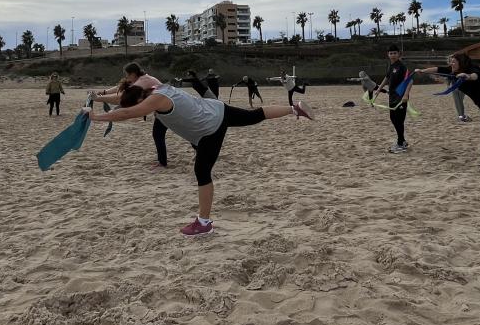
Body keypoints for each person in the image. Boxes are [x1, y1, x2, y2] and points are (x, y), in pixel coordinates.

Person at [87, 83, 314, 236]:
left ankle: (204, 223)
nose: (141, 110)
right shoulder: (157, 87)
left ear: (140, 99)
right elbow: (125, 102)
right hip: (217, 109)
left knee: (202, 172)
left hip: (210, 128)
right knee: (254, 115)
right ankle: (293, 109)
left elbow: (128, 112)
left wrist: (96, 117)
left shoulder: (155, 100)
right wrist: (98, 99)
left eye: (138, 105)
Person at [92, 62, 173, 169]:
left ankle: (162, 163)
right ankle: (162, 161)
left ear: (133, 74)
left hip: (169, 107)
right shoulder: (139, 79)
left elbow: (123, 97)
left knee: (159, 134)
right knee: (160, 133)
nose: (126, 77)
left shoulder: (143, 81)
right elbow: (120, 87)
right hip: (163, 107)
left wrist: (98, 98)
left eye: (127, 75)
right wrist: (103, 92)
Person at [373, 48, 412, 153]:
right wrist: (379, 89)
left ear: (399, 54)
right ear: (388, 54)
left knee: (399, 120)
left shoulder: (402, 67)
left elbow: (410, 81)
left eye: (395, 53)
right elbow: (386, 78)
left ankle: (401, 143)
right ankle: (402, 141)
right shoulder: (391, 66)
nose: (393, 55)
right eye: (391, 53)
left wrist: (406, 95)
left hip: (401, 97)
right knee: (393, 118)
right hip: (392, 97)